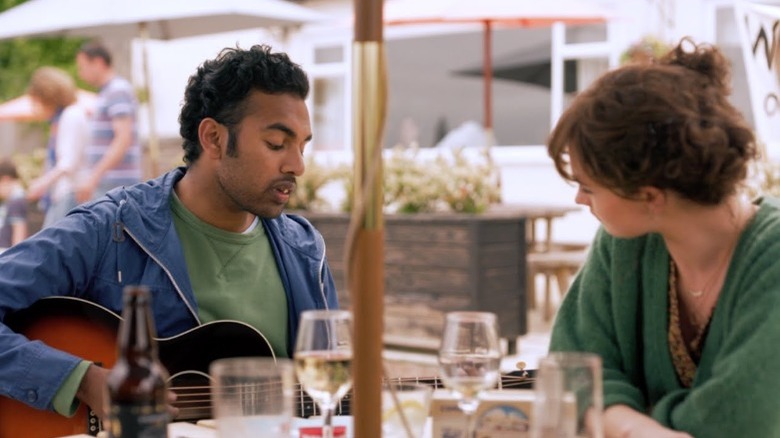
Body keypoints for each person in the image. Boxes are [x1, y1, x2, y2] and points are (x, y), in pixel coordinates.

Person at [0, 45, 338, 423]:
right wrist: (79, 380)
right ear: (213, 138)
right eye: (277, 144)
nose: (297, 165)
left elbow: (327, 396)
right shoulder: (108, 230)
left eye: (302, 145)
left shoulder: (306, 253)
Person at [546, 37, 780, 437]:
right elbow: (569, 368)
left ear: (649, 196)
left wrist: (612, 414)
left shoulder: (771, 257)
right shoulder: (622, 242)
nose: (579, 198)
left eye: (590, 187)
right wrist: (636, 426)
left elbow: (742, 421)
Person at [74, 40, 142, 203]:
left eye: (82, 67)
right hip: (110, 182)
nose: (80, 74)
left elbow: (122, 138)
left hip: (115, 183)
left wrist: (93, 177)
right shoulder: (108, 92)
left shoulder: (117, 90)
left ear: (98, 63)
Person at [25, 66, 90, 227]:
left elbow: (68, 164)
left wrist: (42, 183)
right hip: (66, 193)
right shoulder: (64, 118)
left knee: (51, 246)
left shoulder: (70, 115)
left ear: (47, 96)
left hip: (70, 193)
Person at [0, 159, 27, 249]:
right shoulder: (13, 199)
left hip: (6, 253)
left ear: (5, 179)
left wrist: (15, 256)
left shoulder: (16, 201)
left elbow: (19, 233)